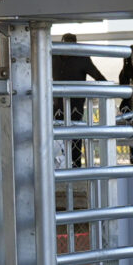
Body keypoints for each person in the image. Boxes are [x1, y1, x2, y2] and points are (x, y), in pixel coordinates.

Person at [50, 33, 102, 166]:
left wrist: (109, 89)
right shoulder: (53, 56)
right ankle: (57, 165)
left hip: (75, 105)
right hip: (57, 105)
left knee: (75, 134)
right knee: (56, 134)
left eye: (71, 45)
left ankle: (75, 165)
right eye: (65, 44)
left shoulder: (82, 58)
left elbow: (97, 76)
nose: (67, 49)